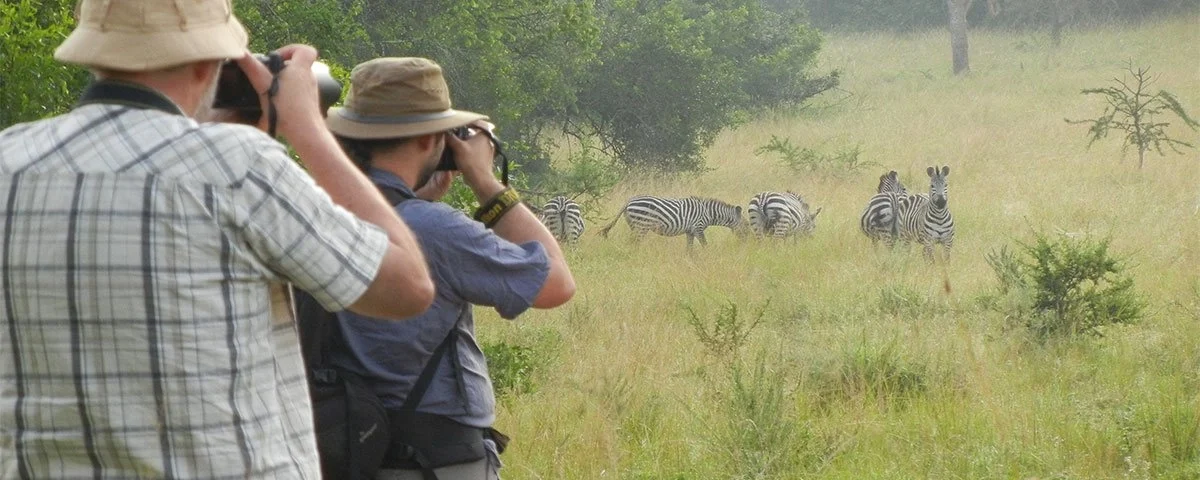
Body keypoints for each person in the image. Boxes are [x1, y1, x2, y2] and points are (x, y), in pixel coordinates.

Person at [0, 1, 436, 478]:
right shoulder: (237, 166)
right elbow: (406, 287)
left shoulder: (11, 160)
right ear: (213, 60)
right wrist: (306, 127)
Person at [322, 57, 576, 479]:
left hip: (340, 449)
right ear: (430, 141)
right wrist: (486, 183)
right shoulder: (435, 228)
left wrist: (418, 198)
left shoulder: (314, 211)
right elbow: (556, 284)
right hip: (432, 458)